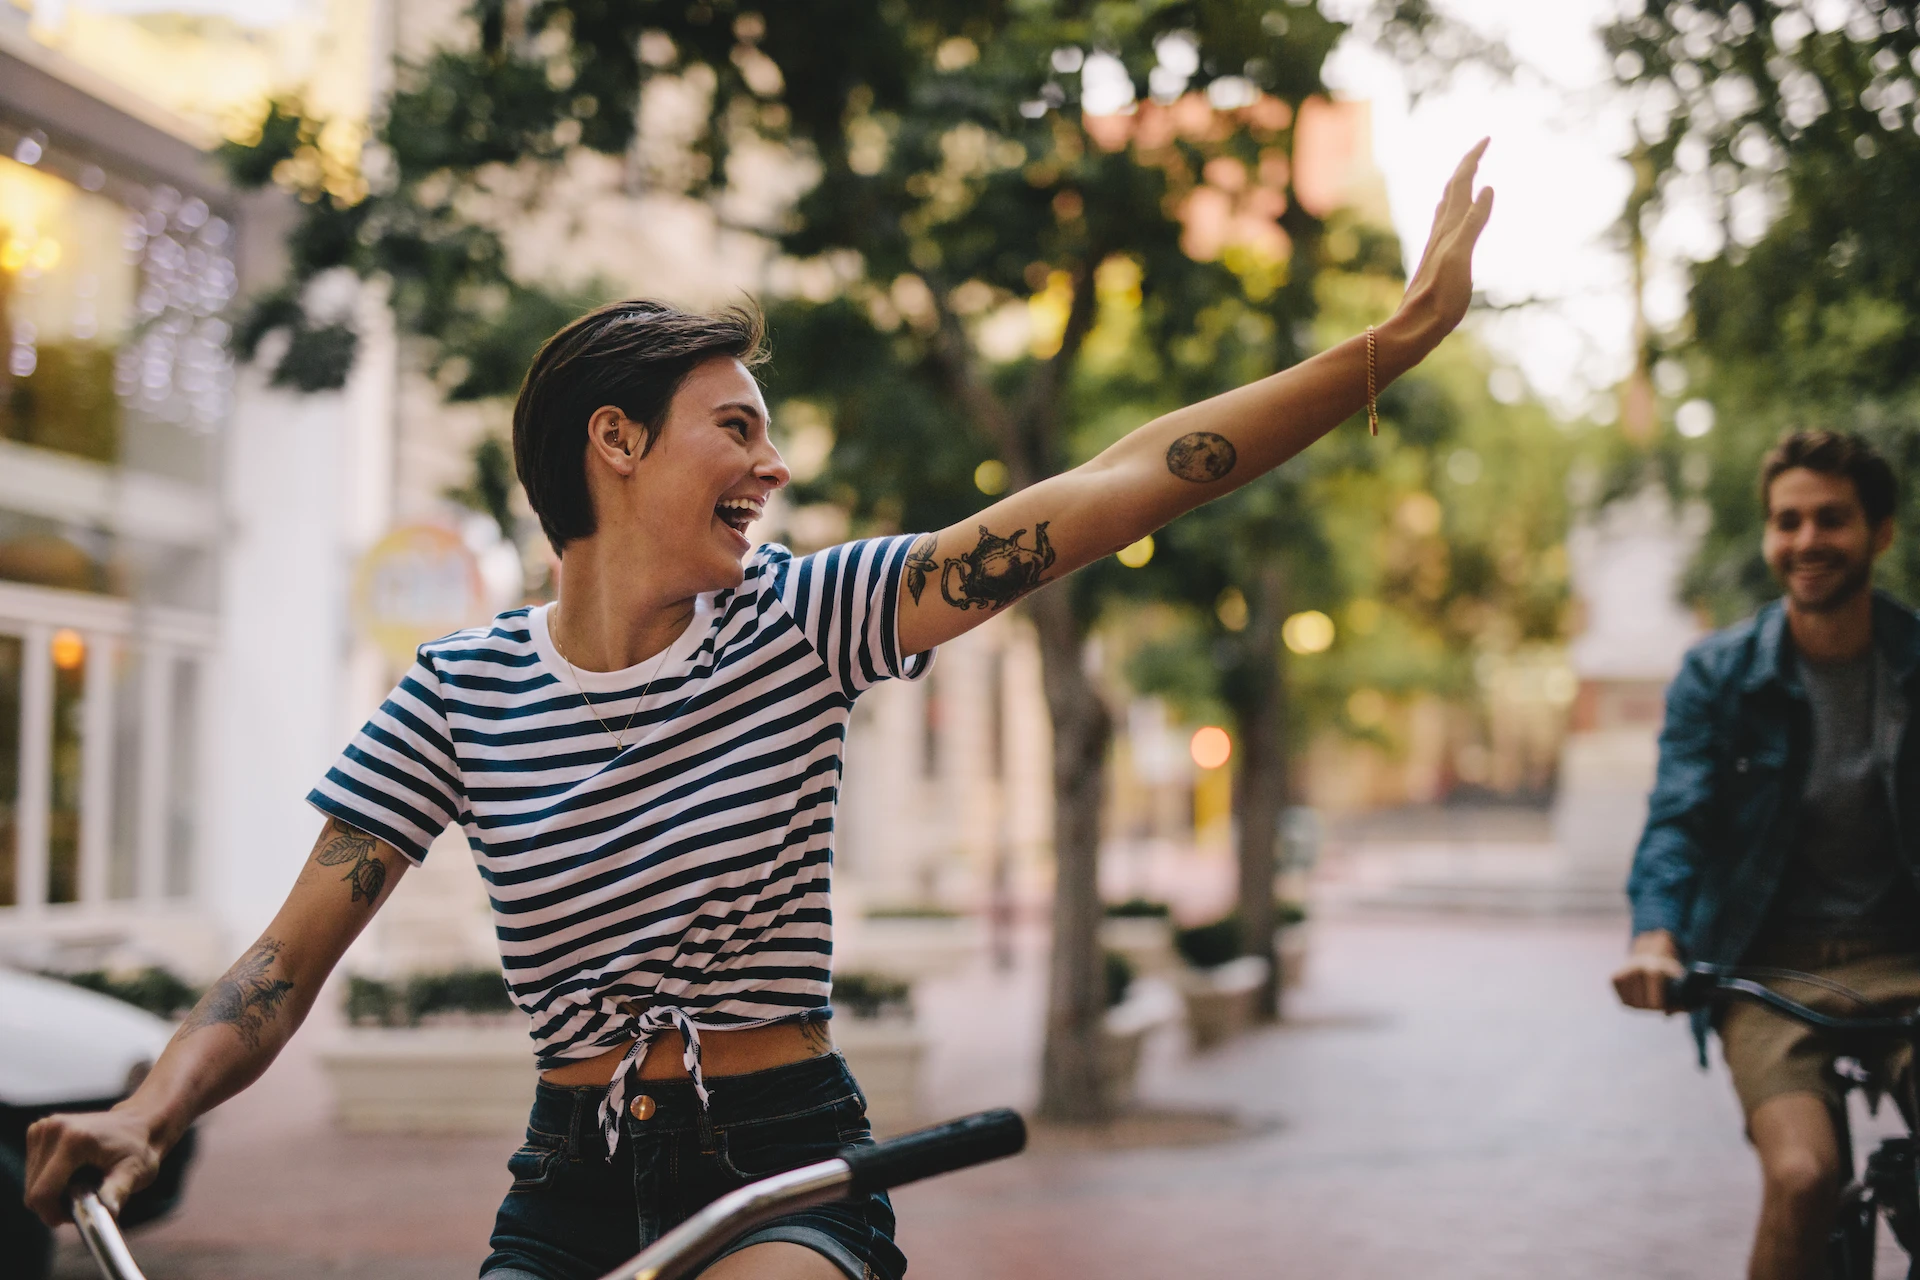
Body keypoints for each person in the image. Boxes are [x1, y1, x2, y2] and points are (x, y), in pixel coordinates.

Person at [24, 146, 1491, 1280]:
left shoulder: (807, 620)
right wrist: (153, 1107)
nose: (772, 467)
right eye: (737, 428)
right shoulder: (454, 696)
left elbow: (1120, 481)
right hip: (572, 1178)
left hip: (782, 1157)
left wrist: (1391, 343)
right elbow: (281, 966)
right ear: (615, 443)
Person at [1614, 429, 1920, 1280]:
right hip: (1770, 973)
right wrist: (1656, 937)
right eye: (1788, 522)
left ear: (1880, 531)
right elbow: (1679, 819)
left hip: (1909, 958)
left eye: (1832, 519)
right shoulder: (1719, 676)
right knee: (1802, 1173)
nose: (1808, 541)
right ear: (1767, 535)